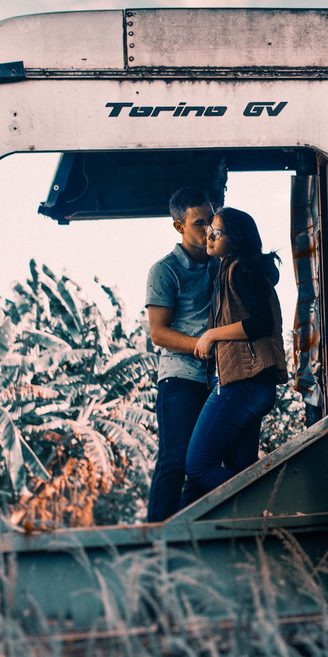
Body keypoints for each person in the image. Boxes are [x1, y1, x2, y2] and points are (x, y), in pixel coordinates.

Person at [181, 207, 288, 508]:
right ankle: (256, 531)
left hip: (244, 382)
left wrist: (211, 335)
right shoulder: (234, 267)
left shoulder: (241, 269)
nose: (209, 236)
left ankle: (269, 508)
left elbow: (261, 322)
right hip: (254, 384)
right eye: (208, 231)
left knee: (198, 466)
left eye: (217, 232)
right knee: (244, 473)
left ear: (237, 239)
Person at [145, 187, 218, 523]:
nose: (209, 229)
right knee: (175, 461)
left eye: (212, 220)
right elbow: (158, 332)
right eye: (199, 223)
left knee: (206, 465)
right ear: (179, 227)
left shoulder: (223, 261)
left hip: (221, 380)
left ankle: (189, 534)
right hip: (180, 379)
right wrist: (201, 344)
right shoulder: (165, 270)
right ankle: (156, 545)